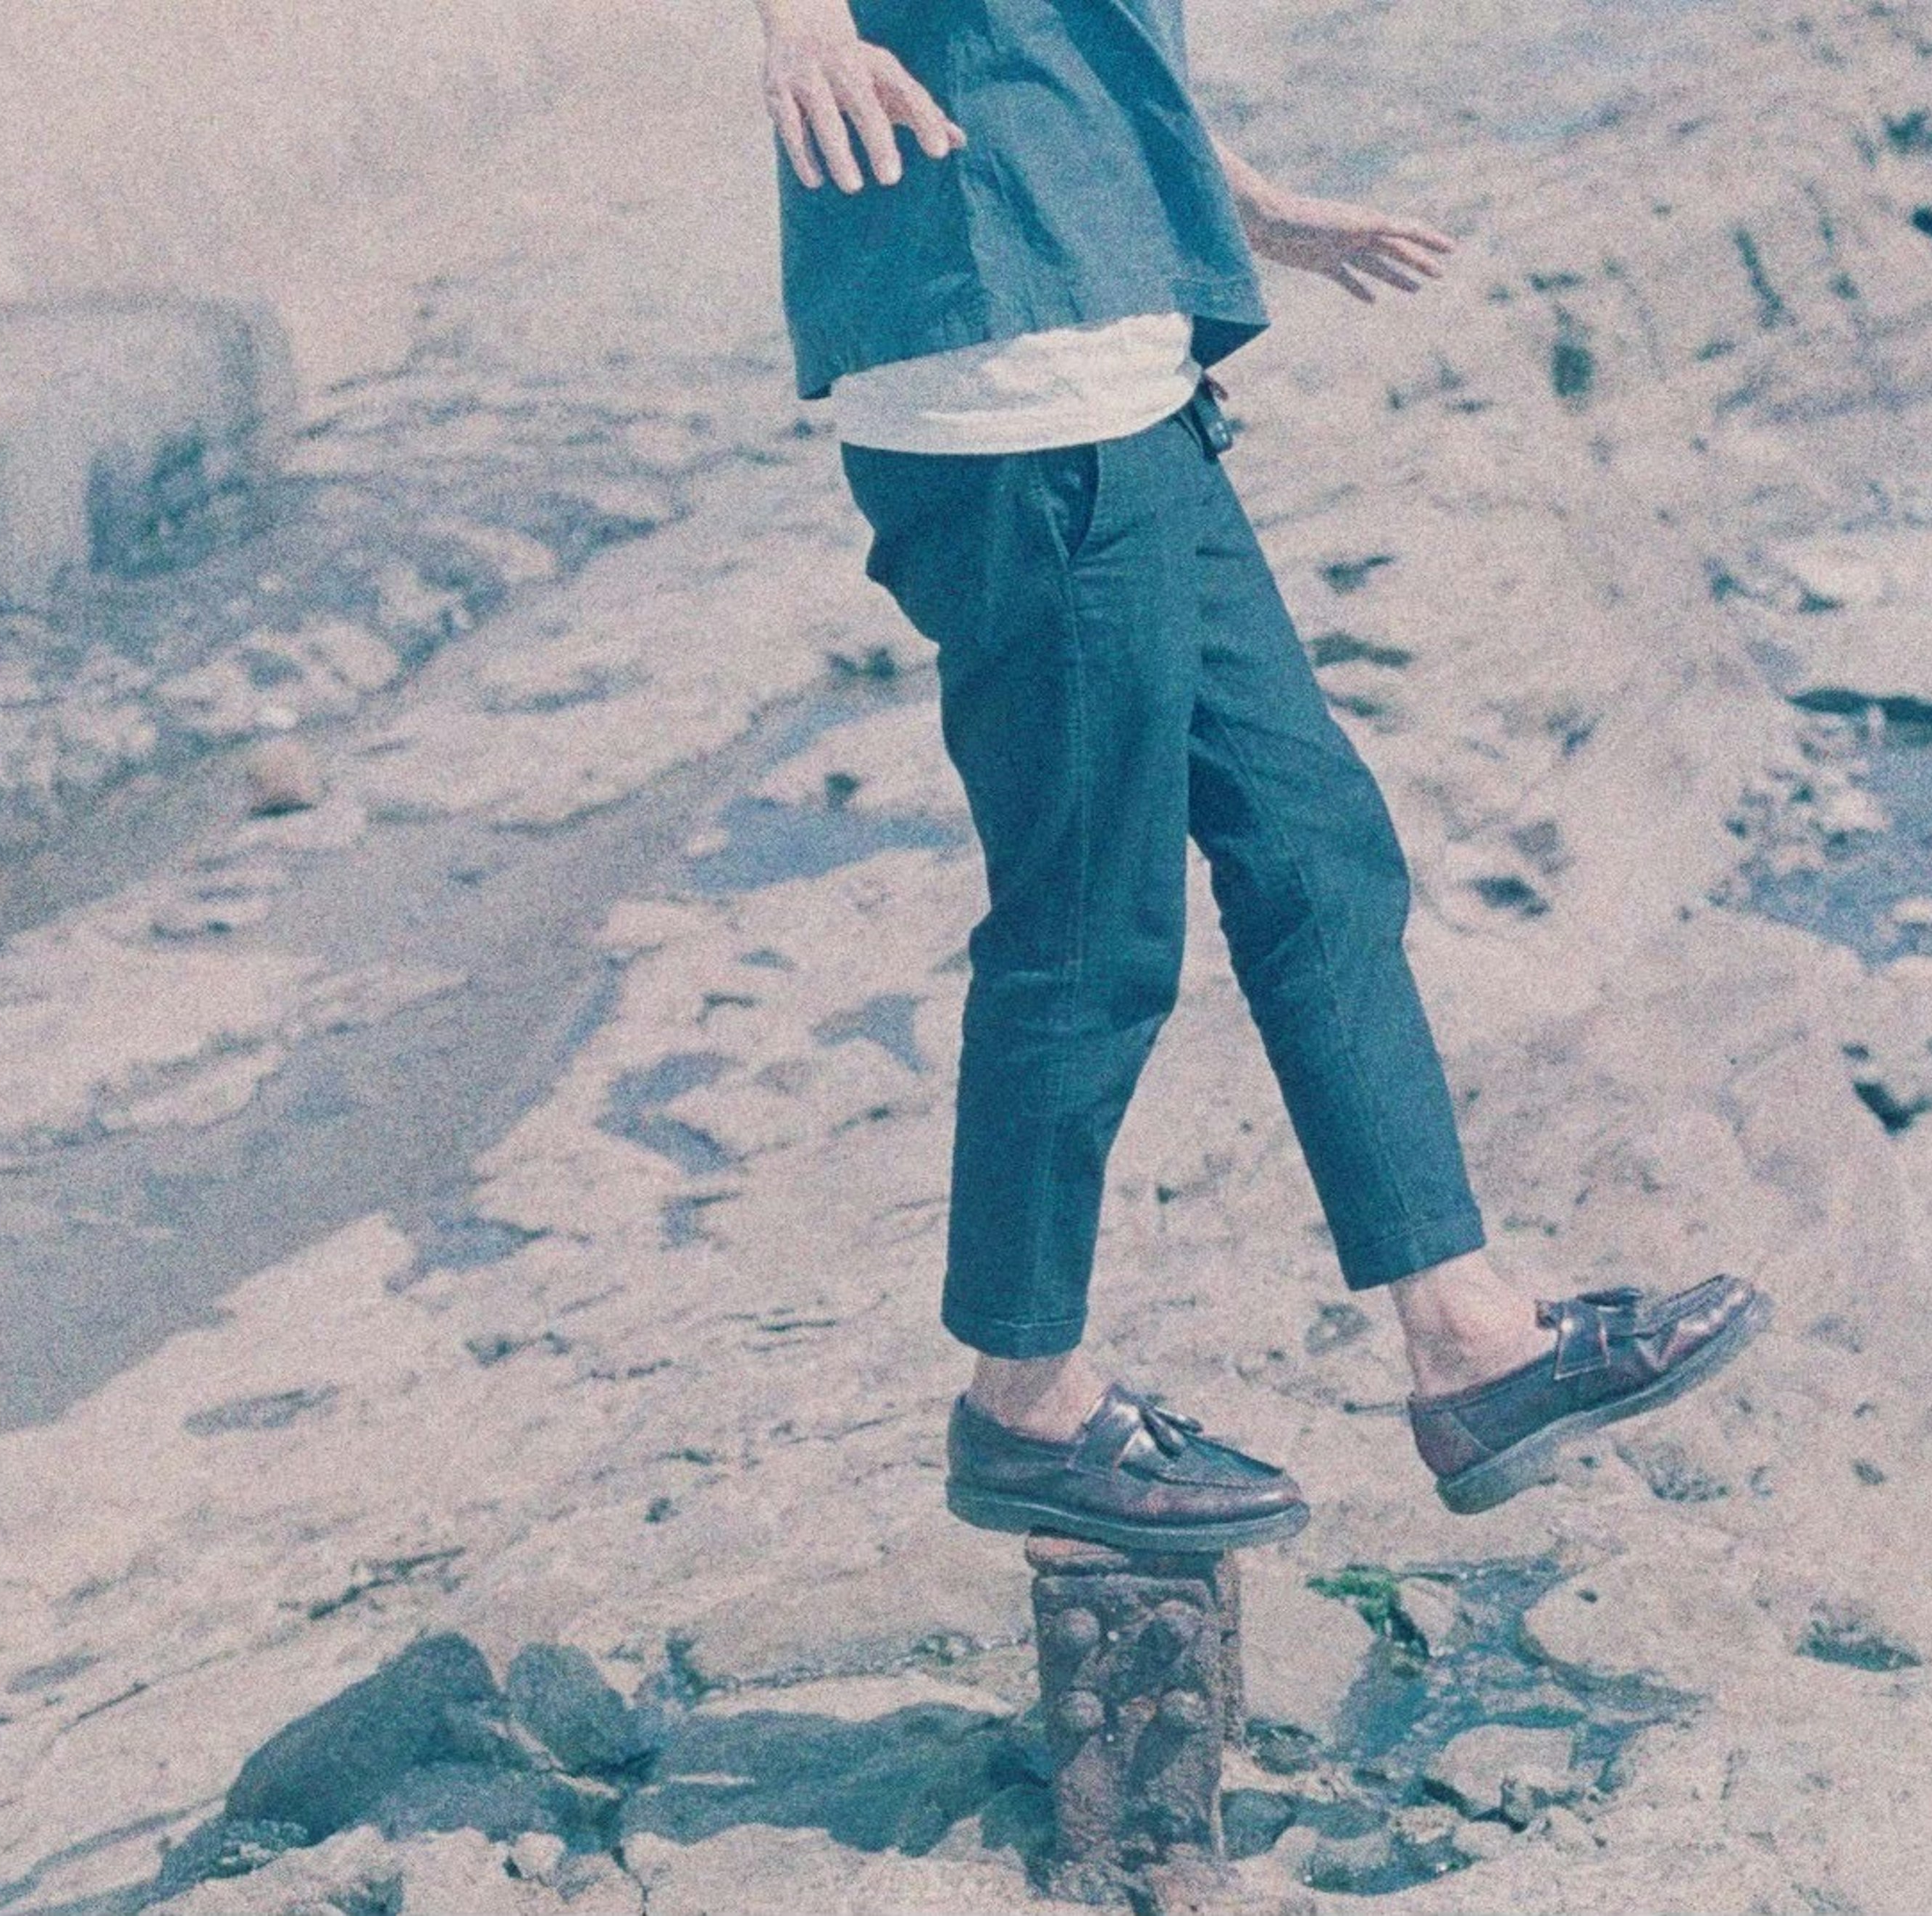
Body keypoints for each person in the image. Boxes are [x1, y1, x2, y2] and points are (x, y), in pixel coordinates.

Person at [756, 0, 1765, 1549]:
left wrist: (1245, 203)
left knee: (1313, 843)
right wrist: (802, 20)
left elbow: (1071, 46)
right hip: (1012, 387)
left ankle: (1469, 1339)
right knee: (1087, 930)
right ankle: (1025, 1405)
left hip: (1117, 372)